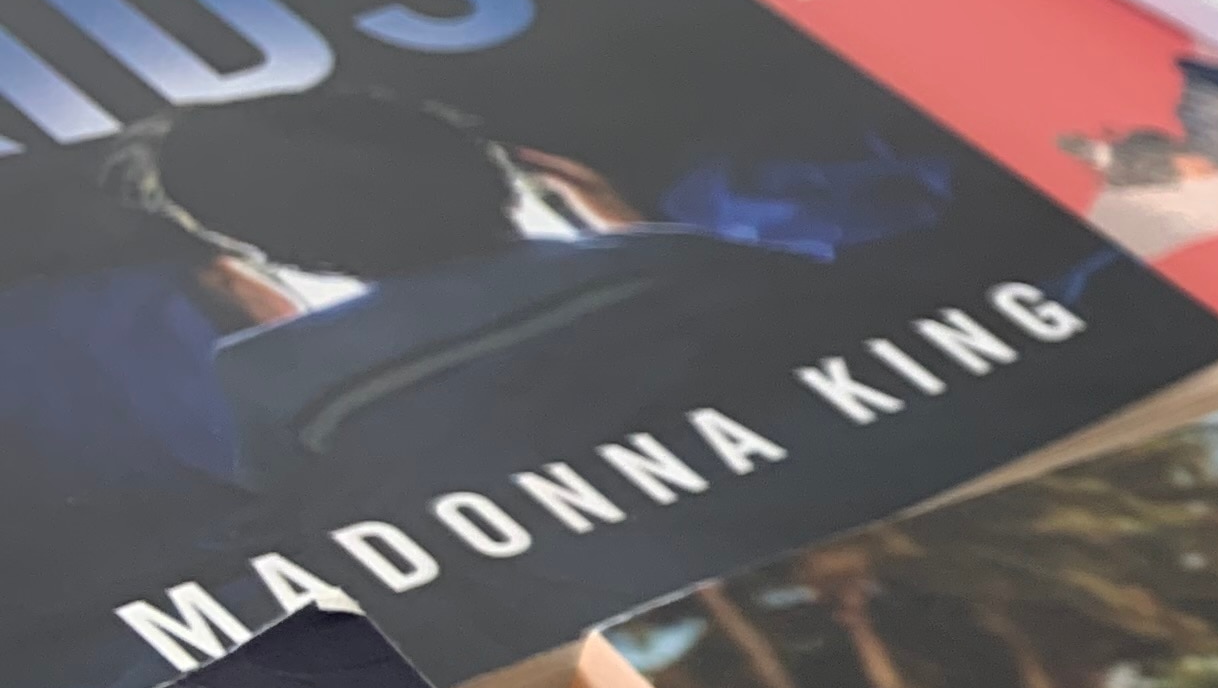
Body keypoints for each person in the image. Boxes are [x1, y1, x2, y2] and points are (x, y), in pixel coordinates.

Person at [116, 88, 841, 497]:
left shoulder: (266, 377)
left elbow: (303, 524)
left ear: (270, 251)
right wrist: (641, 236)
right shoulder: (692, 262)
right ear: (498, 167)